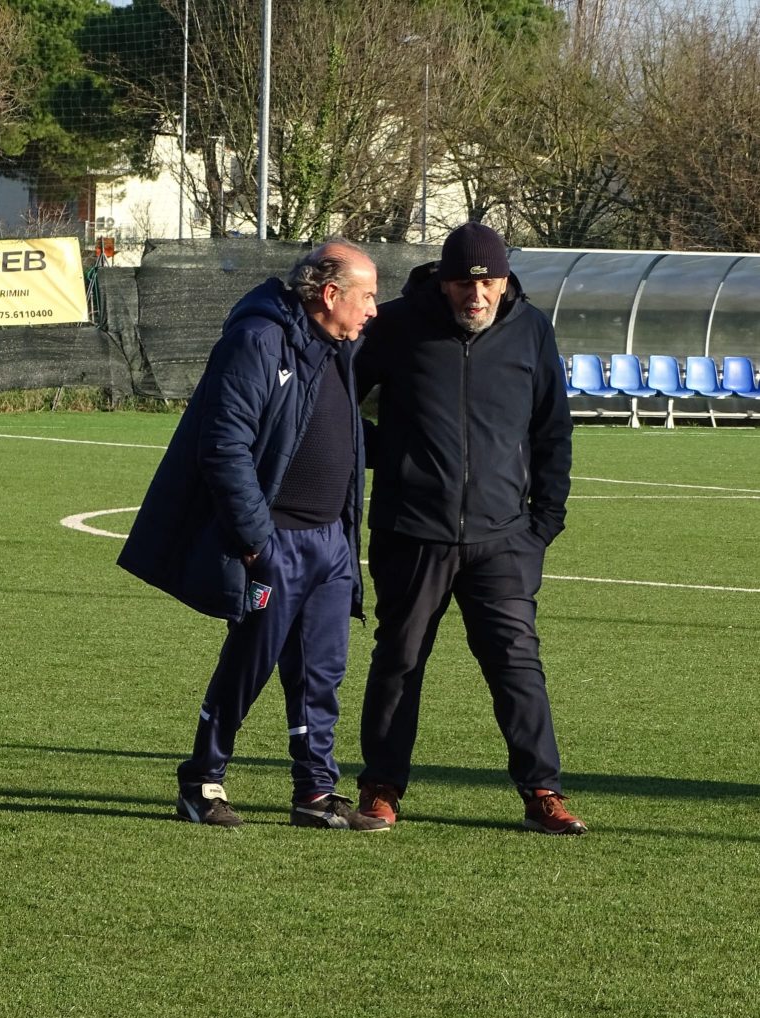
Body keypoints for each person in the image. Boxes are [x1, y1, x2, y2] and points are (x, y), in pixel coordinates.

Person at [118, 239, 388, 831]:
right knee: (248, 665)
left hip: (331, 542)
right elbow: (224, 446)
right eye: (367, 295)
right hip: (277, 540)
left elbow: (330, 429)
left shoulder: (338, 347)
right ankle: (201, 781)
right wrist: (256, 540)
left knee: (322, 673)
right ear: (330, 294)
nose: (374, 308)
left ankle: (316, 792)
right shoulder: (258, 340)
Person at [354, 222, 587, 835]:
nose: (476, 295)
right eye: (464, 282)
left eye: (488, 282)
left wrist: (545, 521)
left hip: (504, 538)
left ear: (505, 281)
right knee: (399, 661)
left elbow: (552, 429)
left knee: (517, 665)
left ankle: (542, 792)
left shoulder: (531, 329)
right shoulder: (397, 324)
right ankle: (381, 787)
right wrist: (387, 453)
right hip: (412, 533)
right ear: (443, 281)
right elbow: (334, 401)